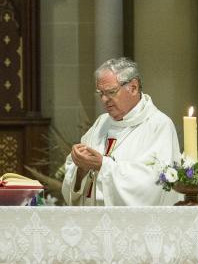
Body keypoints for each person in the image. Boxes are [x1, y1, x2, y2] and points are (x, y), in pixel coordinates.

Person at [62, 57, 181, 206]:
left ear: (133, 87)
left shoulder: (158, 125)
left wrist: (102, 165)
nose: (104, 99)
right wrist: (80, 169)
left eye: (111, 92)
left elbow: (153, 183)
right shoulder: (101, 123)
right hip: (91, 219)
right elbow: (75, 177)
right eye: (101, 93)